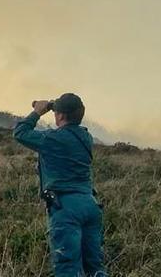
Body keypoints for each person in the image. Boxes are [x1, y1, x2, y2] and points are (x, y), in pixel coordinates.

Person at [13, 93, 106, 277]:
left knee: (67, 267)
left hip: (65, 208)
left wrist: (38, 112)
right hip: (90, 204)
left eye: (57, 112)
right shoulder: (86, 137)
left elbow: (20, 133)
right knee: (95, 267)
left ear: (61, 115)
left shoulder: (53, 139)